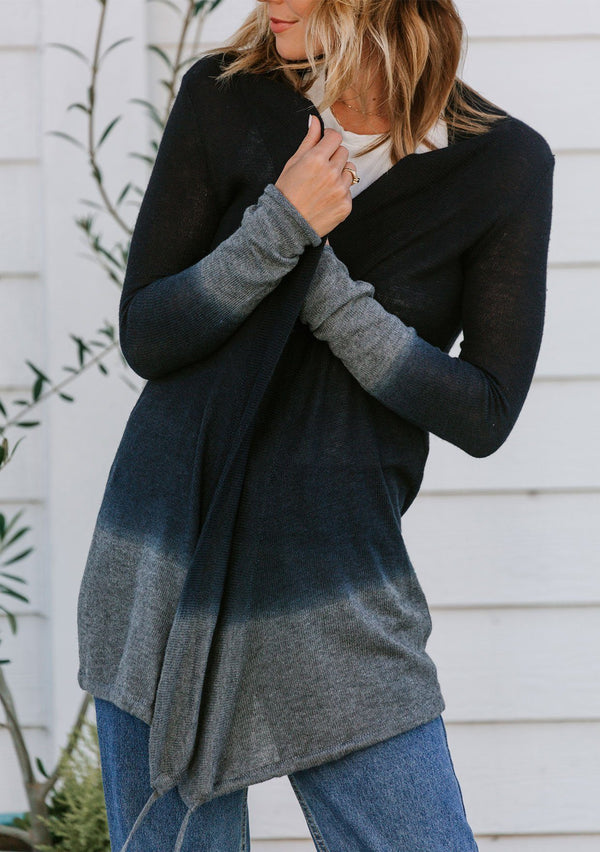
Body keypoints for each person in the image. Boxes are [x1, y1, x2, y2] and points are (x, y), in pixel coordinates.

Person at [78, 1, 555, 850]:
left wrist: (327, 292)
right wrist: (278, 227)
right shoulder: (226, 97)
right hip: (165, 557)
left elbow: (483, 410)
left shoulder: (501, 163)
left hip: (332, 582)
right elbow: (149, 333)